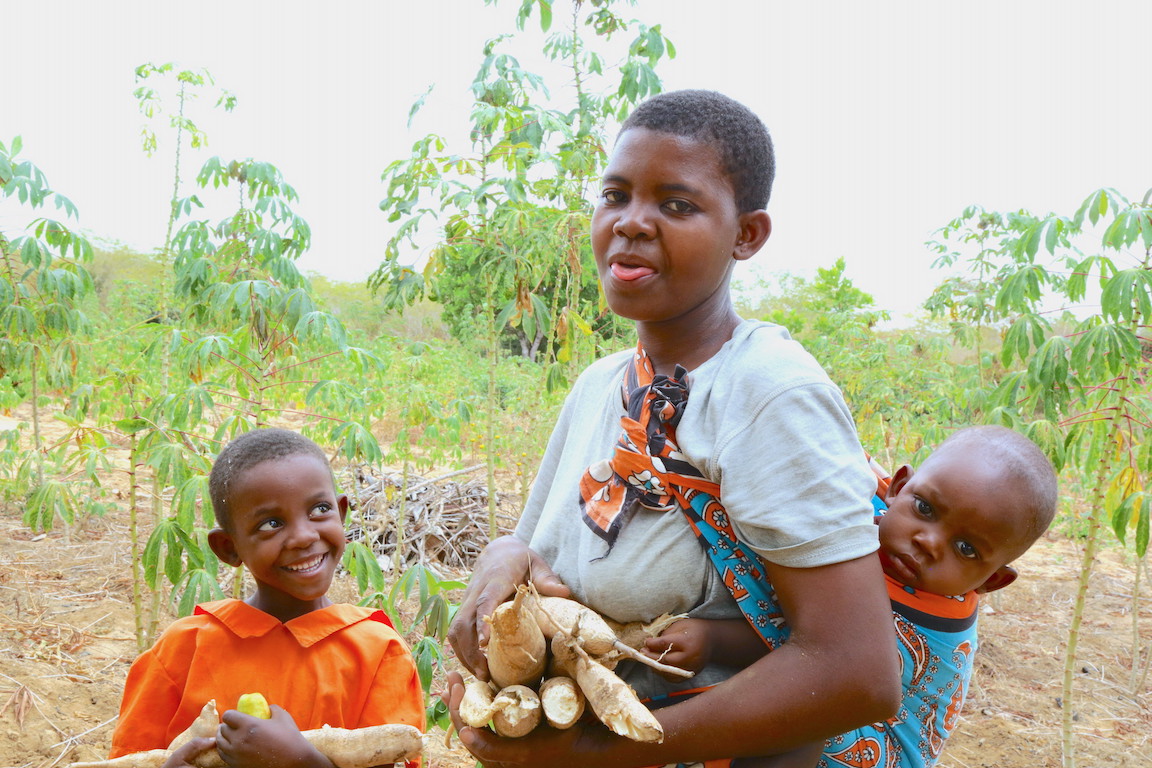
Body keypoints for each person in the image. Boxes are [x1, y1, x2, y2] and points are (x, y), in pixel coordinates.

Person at [445, 89, 902, 767]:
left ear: (746, 234)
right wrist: (502, 562)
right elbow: (540, 551)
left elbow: (856, 672)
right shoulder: (602, 383)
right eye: (615, 194)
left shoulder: (769, 392)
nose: (631, 222)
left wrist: (602, 753)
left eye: (677, 204)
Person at [645, 425, 1058, 768]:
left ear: (991, 582)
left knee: (807, 709)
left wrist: (713, 639)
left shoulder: (929, 626)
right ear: (897, 486)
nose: (928, 542)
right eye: (926, 509)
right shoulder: (852, 510)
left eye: (966, 549)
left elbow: (822, 657)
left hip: (868, 751)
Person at [109, 429, 425, 768]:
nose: (304, 536)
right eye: (271, 523)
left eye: (320, 509)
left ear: (341, 511)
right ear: (228, 548)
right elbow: (130, 760)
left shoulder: (378, 653)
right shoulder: (182, 651)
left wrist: (302, 762)